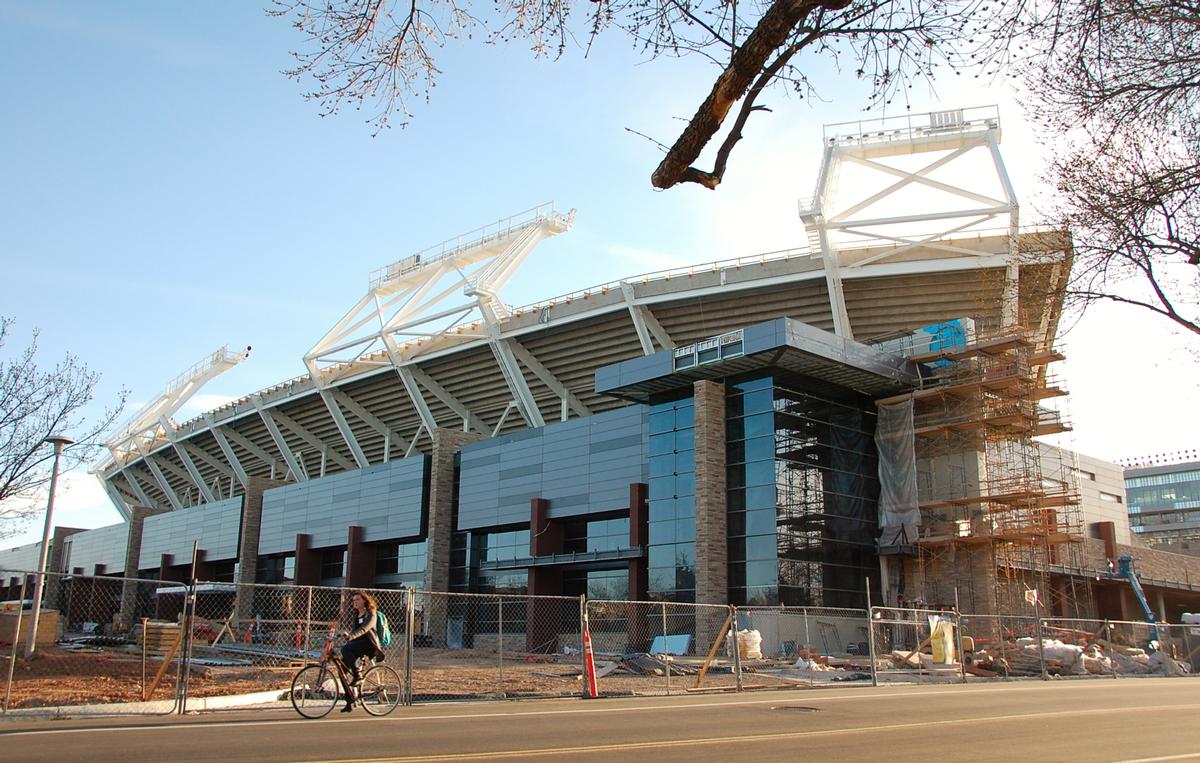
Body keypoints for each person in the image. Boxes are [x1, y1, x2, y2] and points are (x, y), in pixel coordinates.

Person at [339, 590, 384, 712]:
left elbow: (365, 629)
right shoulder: (356, 615)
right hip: (358, 644)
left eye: (357, 599)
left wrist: (351, 636)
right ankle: (349, 702)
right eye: (353, 600)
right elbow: (355, 632)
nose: (355, 602)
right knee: (341, 670)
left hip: (369, 645)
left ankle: (357, 675)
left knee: (346, 649)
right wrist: (347, 635)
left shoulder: (371, 613)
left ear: (364, 600)